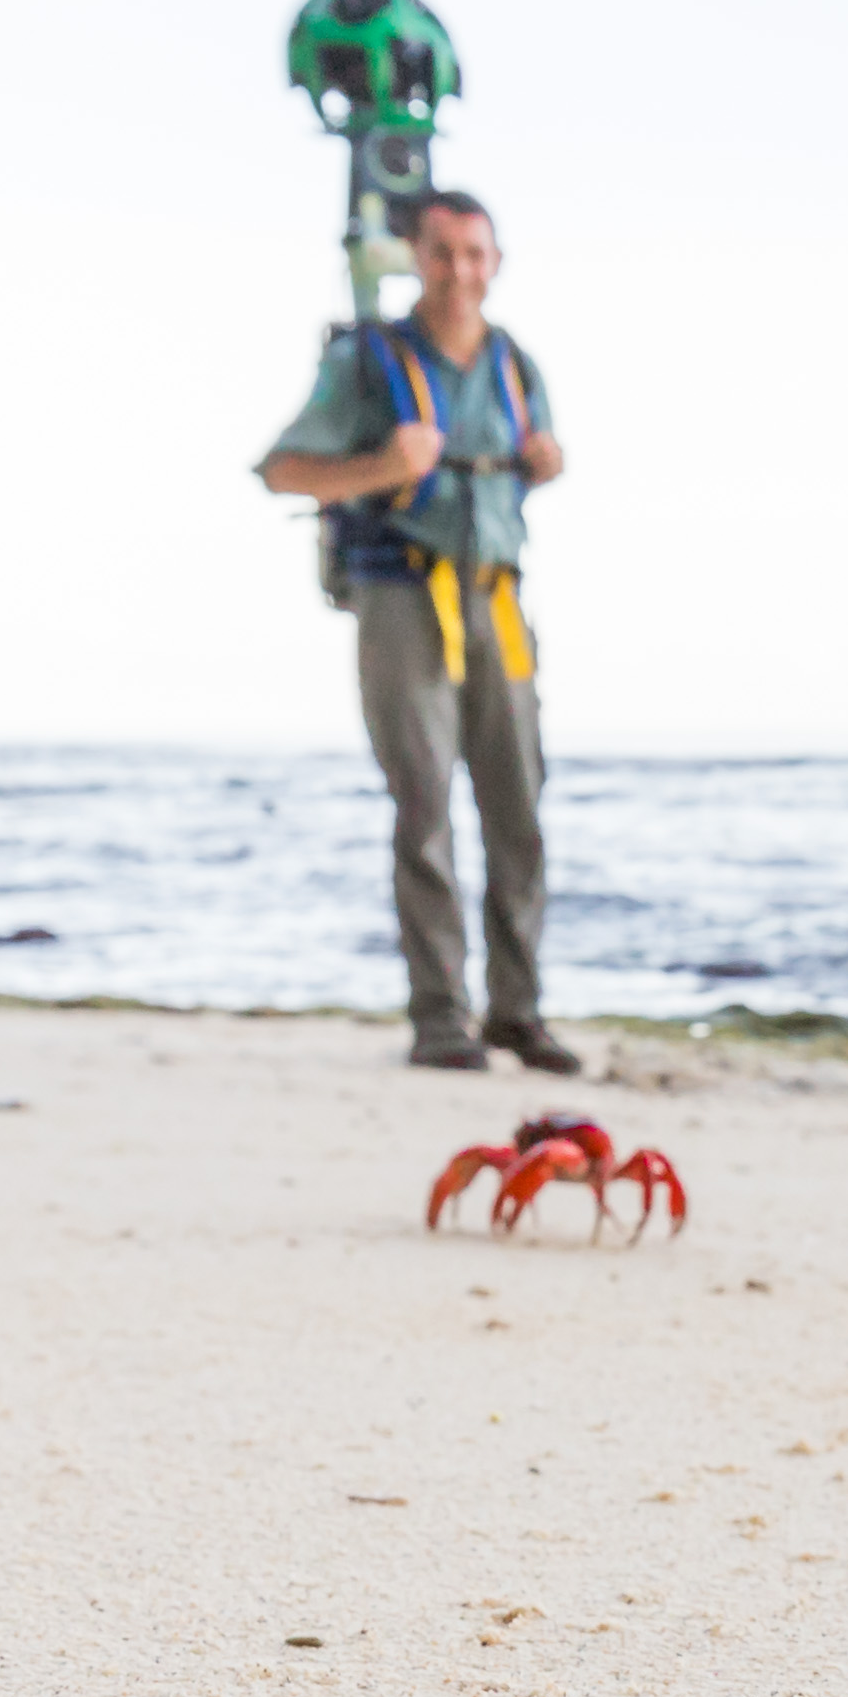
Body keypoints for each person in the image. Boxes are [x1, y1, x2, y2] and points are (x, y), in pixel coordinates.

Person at [255, 190, 577, 1072]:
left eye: (475, 254)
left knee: (519, 808)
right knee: (426, 807)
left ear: (497, 262)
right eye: (442, 253)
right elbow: (281, 470)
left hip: (499, 599)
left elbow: (511, 472)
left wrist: (542, 466)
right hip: (403, 597)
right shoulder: (369, 360)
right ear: (414, 257)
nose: (460, 271)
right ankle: (441, 1018)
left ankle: (520, 1011)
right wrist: (379, 467)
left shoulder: (515, 364)